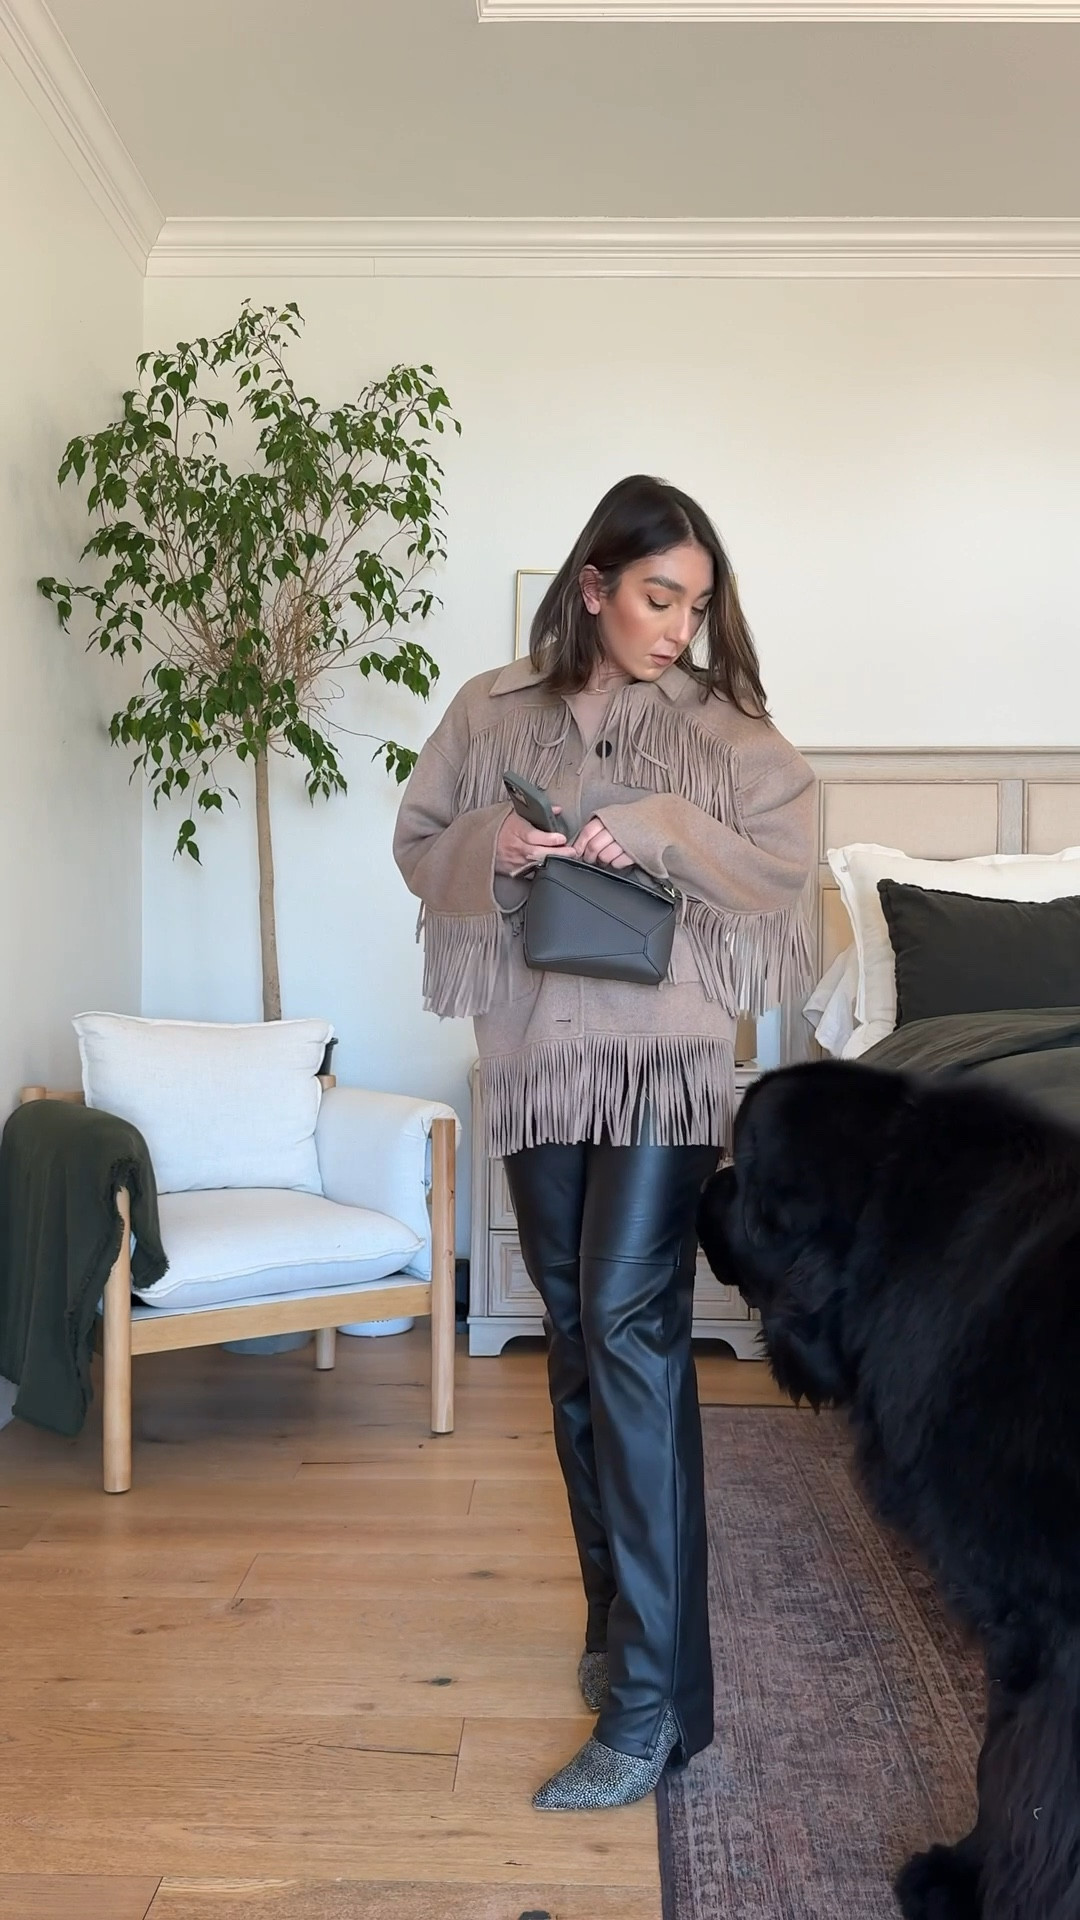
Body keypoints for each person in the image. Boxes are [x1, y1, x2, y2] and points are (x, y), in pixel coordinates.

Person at [393, 474, 816, 1810]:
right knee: (576, 1338)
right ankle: (614, 1627)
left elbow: (784, 860)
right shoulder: (490, 709)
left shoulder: (723, 729)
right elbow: (417, 842)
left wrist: (657, 828)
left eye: (696, 604)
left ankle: (652, 1709)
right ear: (594, 587)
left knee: (631, 1332)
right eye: (657, 598)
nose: (680, 627)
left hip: (663, 1064)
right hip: (536, 1060)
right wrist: (500, 843)